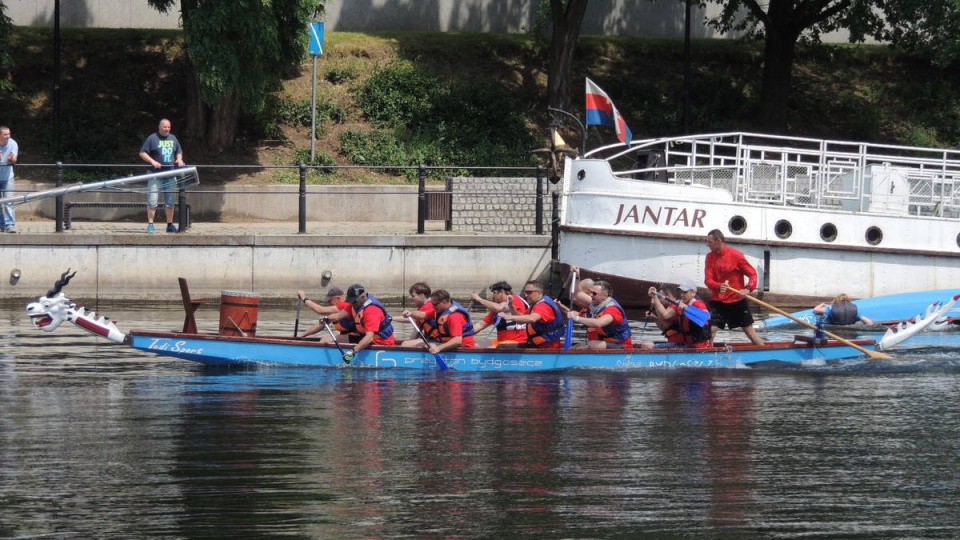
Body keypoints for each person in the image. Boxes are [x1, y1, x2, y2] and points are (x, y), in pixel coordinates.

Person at [704, 229, 765, 345]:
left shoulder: (736, 255)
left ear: (718, 241)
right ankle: (706, 354)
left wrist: (748, 289)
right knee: (710, 330)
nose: (707, 245)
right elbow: (708, 280)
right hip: (718, 300)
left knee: (750, 332)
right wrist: (718, 286)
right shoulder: (709, 257)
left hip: (736, 300)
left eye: (709, 242)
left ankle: (766, 352)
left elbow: (752, 274)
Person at [139, 118, 185, 233]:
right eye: (165, 127)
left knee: (170, 201)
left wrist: (179, 159)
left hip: (170, 174)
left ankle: (169, 224)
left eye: (168, 127)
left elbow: (179, 151)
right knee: (152, 200)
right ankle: (150, 224)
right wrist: (153, 162)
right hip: (155, 175)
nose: (167, 129)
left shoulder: (173, 138)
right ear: (159, 127)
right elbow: (142, 153)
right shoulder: (152, 138)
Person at [640, 279, 713, 349]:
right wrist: (654, 297)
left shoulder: (698, 304)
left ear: (693, 293)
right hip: (686, 344)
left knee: (649, 346)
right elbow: (665, 315)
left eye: (685, 292)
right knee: (645, 345)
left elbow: (706, 317)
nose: (682, 295)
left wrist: (687, 309)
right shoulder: (679, 304)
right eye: (681, 292)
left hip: (699, 346)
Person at [329, 284, 395, 360]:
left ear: (363, 297)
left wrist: (353, 352)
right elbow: (338, 315)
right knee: (330, 340)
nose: (352, 304)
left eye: (354, 301)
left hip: (381, 342)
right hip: (367, 338)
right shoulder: (356, 304)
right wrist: (327, 318)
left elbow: (369, 337)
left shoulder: (372, 310)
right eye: (351, 301)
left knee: (339, 340)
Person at [566, 280, 633, 349]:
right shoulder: (596, 303)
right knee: (573, 348)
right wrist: (577, 276)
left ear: (604, 295)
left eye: (594, 293)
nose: (591, 295)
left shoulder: (612, 309)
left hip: (621, 344)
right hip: (605, 341)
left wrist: (577, 318)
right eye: (591, 292)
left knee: (592, 344)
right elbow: (577, 294)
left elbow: (599, 323)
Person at [501, 280, 565, 349]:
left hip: (547, 348)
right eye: (525, 292)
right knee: (504, 346)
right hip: (537, 345)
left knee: (502, 347)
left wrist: (509, 317)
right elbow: (520, 321)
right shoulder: (535, 305)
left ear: (539, 293)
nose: (525, 295)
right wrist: (512, 308)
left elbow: (532, 319)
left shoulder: (543, 306)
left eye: (529, 292)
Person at [471, 280, 530, 348]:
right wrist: (463, 333)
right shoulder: (497, 310)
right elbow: (480, 325)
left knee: (497, 347)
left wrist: (479, 300)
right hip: (502, 343)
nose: (493, 296)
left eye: (494, 293)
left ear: (501, 292)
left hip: (518, 342)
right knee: (472, 345)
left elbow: (498, 307)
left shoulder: (514, 299)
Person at [422, 289, 476, 354]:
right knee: (422, 343)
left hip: (463, 347)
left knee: (423, 345)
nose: (433, 307)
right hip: (449, 343)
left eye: (435, 304)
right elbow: (423, 314)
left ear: (444, 302)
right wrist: (410, 314)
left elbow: (457, 340)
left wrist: (439, 348)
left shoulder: (454, 316)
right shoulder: (441, 310)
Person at [400, 282, 437, 346]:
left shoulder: (430, 306)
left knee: (405, 344)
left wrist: (406, 345)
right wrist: (409, 342)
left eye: (413, 296)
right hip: (431, 338)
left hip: (437, 340)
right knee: (406, 343)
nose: (411, 298)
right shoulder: (422, 308)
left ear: (422, 295)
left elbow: (415, 318)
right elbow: (417, 330)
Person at [0, 125, 19, 233]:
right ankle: (1, 224)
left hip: (7, 177)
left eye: (9, 134)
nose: (8, 136)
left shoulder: (13, 143)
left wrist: (11, 159)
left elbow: (14, 160)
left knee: (9, 201)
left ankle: (10, 225)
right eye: (5, 134)